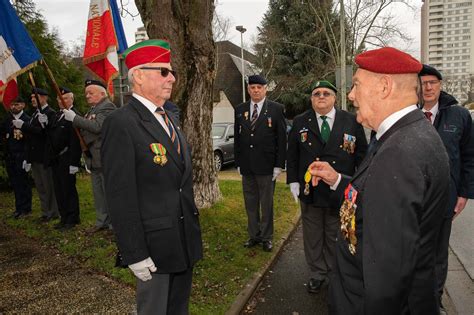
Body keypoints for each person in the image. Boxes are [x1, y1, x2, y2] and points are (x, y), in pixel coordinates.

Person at [308, 47, 450, 314]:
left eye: (356, 85)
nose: (350, 95)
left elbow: (387, 277)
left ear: (385, 86)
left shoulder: (398, 152)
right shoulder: (413, 134)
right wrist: (337, 179)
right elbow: (376, 197)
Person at [101, 39, 203, 314]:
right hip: (153, 248)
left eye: (171, 72)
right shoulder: (121, 123)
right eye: (163, 71)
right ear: (138, 75)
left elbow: (179, 183)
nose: (171, 78)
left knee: (177, 309)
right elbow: (120, 194)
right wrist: (134, 252)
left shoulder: (168, 118)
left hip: (181, 240)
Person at [286, 80, 367, 294]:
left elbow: (362, 156)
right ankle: (317, 274)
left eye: (326, 93)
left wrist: (358, 184)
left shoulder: (351, 121)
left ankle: (334, 273)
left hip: (338, 190)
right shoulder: (300, 121)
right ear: (311, 99)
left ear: (334, 98)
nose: (321, 96)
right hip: (309, 190)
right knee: (312, 235)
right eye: (316, 94)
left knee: (336, 234)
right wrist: (293, 181)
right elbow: (292, 154)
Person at [419, 64, 474, 314]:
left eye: (433, 82)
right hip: (412, 197)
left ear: (440, 85)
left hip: (445, 199)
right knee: (411, 249)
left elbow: (469, 156)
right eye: (423, 83)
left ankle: (434, 299)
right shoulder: (408, 113)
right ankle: (410, 297)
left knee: (438, 255)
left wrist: (464, 193)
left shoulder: (459, 115)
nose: (428, 87)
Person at [233, 74, 287, 252]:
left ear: (265, 89)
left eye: (259, 87)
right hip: (247, 166)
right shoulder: (240, 109)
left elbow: (281, 138)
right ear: (248, 89)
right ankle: (254, 235)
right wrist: (238, 162)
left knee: (266, 204)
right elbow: (238, 137)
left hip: (267, 166)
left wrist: (279, 165)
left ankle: (267, 237)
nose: (256, 90)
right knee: (250, 203)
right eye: (252, 87)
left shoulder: (276, 109)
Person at [63, 80, 116, 232]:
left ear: (102, 93)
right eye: (86, 93)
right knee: (98, 194)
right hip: (93, 157)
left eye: (90, 93)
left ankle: (114, 224)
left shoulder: (107, 107)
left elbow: (98, 127)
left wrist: (75, 119)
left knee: (109, 193)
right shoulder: (92, 110)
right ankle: (102, 222)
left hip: (105, 157)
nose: (87, 96)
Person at [12, 87, 59, 222]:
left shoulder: (50, 113)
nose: (32, 99)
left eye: (35, 97)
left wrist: (24, 126)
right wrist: (27, 157)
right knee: (40, 186)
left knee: (48, 185)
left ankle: (53, 212)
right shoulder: (35, 114)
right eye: (32, 97)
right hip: (35, 156)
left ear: (44, 98)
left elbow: (44, 134)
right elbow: (30, 137)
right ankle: (45, 212)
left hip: (45, 155)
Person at [45, 87, 82, 231]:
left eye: (65, 98)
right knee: (59, 189)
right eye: (60, 98)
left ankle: (72, 218)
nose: (62, 101)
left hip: (67, 157)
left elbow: (75, 141)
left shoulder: (73, 115)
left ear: (71, 99)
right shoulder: (56, 115)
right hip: (56, 158)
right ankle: (64, 216)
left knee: (68, 189)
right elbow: (51, 136)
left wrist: (74, 162)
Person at [1, 96, 32, 219]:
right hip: (10, 156)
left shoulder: (27, 120)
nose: (14, 107)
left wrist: (27, 158)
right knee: (15, 183)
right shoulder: (7, 120)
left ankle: (26, 209)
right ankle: (18, 208)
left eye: (17, 104)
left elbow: (30, 141)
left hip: (22, 156)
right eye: (12, 104)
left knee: (24, 183)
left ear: (23, 105)